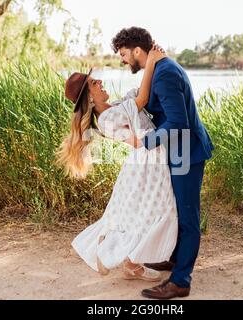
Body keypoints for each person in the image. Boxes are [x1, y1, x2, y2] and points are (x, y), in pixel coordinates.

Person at [56, 45, 178, 282]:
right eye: (94, 83)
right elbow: (141, 99)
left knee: (142, 214)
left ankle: (131, 262)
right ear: (90, 98)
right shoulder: (107, 118)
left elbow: (140, 98)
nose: (100, 82)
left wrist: (152, 66)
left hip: (147, 162)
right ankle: (121, 258)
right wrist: (151, 60)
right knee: (156, 210)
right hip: (146, 166)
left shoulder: (113, 109)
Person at [111, 26, 215, 299]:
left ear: (137, 50)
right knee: (178, 211)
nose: (122, 60)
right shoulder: (159, 68)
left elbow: (178, 123)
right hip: (178, 152)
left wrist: (144, 142)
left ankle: (181, 281)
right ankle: (174, 260)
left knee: (188, 217)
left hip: (186, 153)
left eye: (123, 54)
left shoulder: (165, 73)